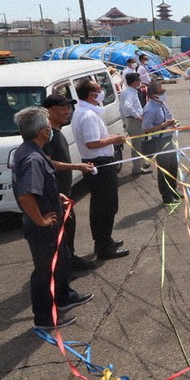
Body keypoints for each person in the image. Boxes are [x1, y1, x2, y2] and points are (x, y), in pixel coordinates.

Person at [12, 106, 94, 330]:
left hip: (53, 220)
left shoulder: (33, 151)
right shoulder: (32, 158)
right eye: (48, 126)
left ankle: (64, 298)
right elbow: (26, 194)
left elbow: (38, 185)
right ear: (41, 131)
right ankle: (45, 318)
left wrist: (55, 194)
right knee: (45, 271)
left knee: (62, 260)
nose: (51, 129)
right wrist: (40, 220)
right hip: (42, 228)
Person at [72, 78, 129, 260]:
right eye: (99, 90)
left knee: (106, 204)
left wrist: (114, 137)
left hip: (100, 163)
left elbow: (99, 137)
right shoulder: (87, 115)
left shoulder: (87, 111)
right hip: (99, 165)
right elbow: (92, 143)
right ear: (91, 95)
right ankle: (103, 246)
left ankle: (106, 240)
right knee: (105, 205)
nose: (102, 92)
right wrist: (114, 140)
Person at [41, 94, 97, 271]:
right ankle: (64, 269)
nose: (68, 112)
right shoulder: (48, 135)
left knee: (69, 228)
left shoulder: (56, 131)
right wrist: (76, 166)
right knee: (62, 231)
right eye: (63, 108)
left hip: (65, 192)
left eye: (69, 108)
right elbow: (47, 163)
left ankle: (70, 259)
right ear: (50, 111)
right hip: (56, 194)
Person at [142, 81, 181, 204]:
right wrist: (164, 125)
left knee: (173, 167)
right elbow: (146, 128)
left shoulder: (161, 104)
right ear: (153, 95)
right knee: (164, 170)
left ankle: (173, 190)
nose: (164, 93)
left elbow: (169, 117)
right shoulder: (150, 109)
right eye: (161, 92)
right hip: (159, 142)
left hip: (168, 140)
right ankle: (166, 197)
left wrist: (173, 122)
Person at [118, 72, 152, 175]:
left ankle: (140, 164)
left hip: (130, 120)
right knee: (138, 146)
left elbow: (121, 108)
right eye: (138, 80)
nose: (140, 82)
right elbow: (127, 106)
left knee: (139, 144)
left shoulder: (126, 91)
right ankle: (137, 169)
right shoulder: (130, 93)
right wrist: (138, 116)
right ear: (135, 82)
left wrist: (125, 121)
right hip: (134, 121)